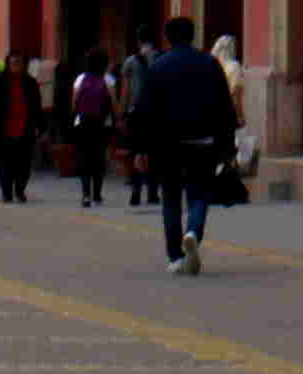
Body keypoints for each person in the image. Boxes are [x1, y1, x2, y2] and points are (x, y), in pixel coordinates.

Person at [128, 17, 241, 275]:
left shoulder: (157, 66)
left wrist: (141, 149)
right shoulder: (210, 64)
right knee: (199, 194)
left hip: (167, 144)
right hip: (202, 142)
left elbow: (144, 111)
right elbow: (224, 107)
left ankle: (176, 257)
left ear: (168, 37)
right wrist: (226, 146)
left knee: (170, 199)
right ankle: (192, 232)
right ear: (192, 35)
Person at [0, 51, 42, 204]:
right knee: (6, 163)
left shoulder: (30, 83)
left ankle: (20, 191)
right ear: (8, 64)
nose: (16, 65)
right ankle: (7, 192)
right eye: (13, 62)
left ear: (23, 64)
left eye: (19, 62)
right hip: (5, 129)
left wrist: (40, 126)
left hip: (25, 128)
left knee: (24, 163)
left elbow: (36, 106)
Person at [59, 50, 115, 206]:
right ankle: (97, 193)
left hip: (83, 123)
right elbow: (114, 103)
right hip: (102, 124)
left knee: (84, 157)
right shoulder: (108, 79)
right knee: (99, 157)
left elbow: (73, 102)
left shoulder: (80, 78)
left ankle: (85, 194)